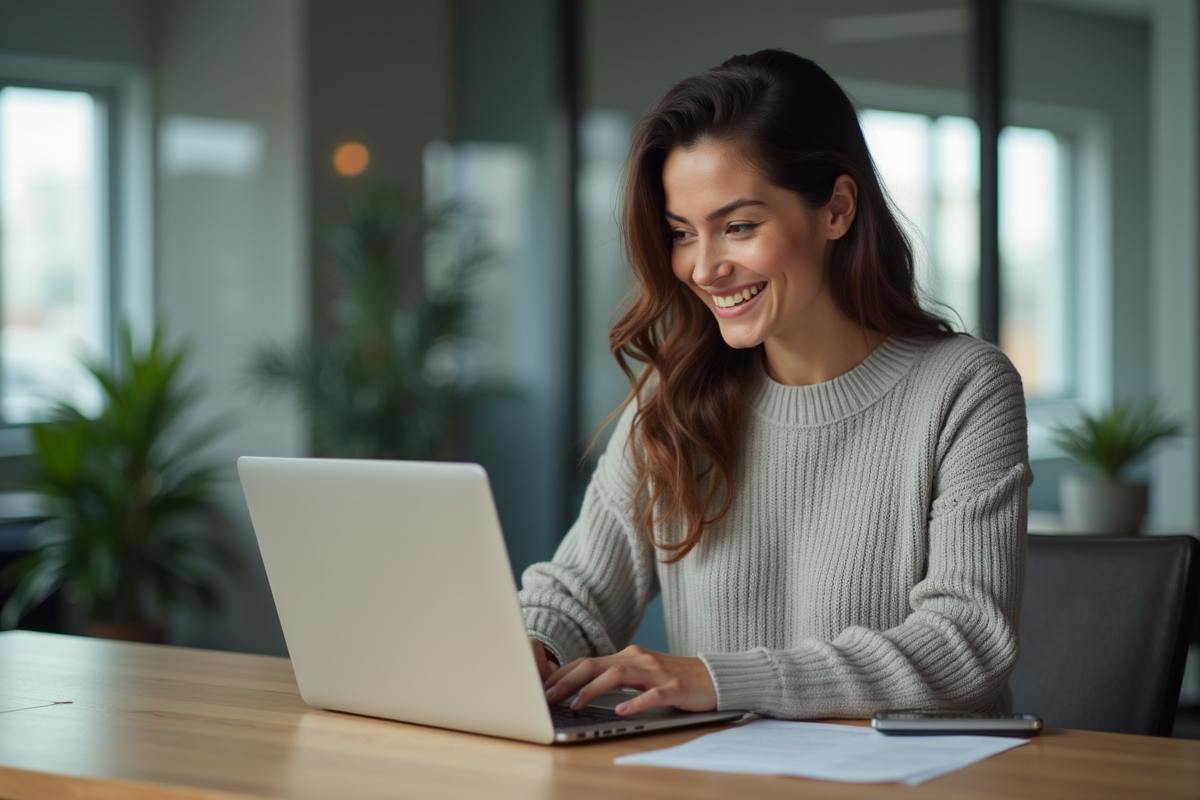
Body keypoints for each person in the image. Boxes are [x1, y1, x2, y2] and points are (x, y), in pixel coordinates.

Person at [521, 49, 1030, 721]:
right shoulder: (672, 400)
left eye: (738, 227)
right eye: (681, 234)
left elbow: (965, 643)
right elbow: (577, 592)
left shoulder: (964, 388)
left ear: (837, 210)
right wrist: (531, 643)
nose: (704, 269)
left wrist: (718, 680)